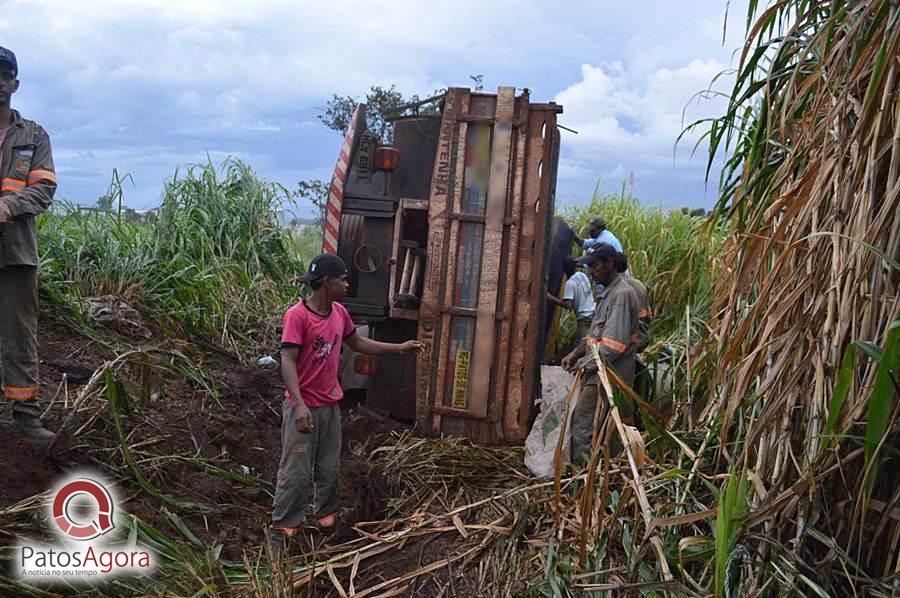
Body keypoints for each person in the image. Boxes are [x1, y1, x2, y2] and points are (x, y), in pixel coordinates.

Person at [270, 253, 423, 553]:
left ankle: (327, 527)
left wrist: (398, 349)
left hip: (329, 408)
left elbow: (357, 343)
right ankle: (282, 537)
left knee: (328, 470)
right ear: (327, 283)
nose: (347, 283)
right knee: (296, 474)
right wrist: (299, 405)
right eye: (342, 279)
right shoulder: (297, 316)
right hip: (304, 410)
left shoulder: (339, 312)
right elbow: (287, 361)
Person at [0, 46, 57, 441]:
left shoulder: (33, 135)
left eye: (4, 76)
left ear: (14, 85)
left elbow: (44, 189)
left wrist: (7, 206)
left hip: (16, 253)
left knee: (20, 333)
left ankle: (26, 415)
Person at [561, 243, 639, 463]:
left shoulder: (621, 295)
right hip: (601, 370)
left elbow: (613, 345)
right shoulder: (609, 292)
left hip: (609, 373)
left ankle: (581, 475)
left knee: (583, 422)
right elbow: (597, 333)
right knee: (602, 425)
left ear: (610, 264)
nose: (591, 271)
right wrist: (576, 353)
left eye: (595, 266)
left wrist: (586, 364)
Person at [546, 257, 595, 344]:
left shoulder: (570, 284)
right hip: (594, 312)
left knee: (581, 344)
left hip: (585, 318)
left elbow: (568, 305)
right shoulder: (581, 275)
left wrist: (550, 297)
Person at [615, 252, 652, 352]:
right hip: (642, 338)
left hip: (627, 343)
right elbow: (649, 317)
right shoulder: (640, 284)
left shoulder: (616, 288)